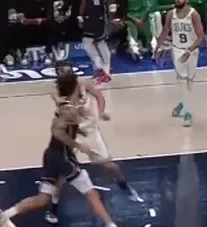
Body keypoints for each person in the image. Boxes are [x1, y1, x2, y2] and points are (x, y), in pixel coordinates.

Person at [0, 70, 139, 227]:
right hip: (63, 157)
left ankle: (4, 216)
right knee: (92, 194)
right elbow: (56, 130)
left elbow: (66, 124)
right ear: (75, 86)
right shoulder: (68, 110)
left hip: (51, 155)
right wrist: (77, 144)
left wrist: (77, 128)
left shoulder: (68, 107)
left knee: (42, 199)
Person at [52, 65, 143, 217]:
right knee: (63, 169)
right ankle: (53, 208)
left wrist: (101, 112)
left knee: (108, 165)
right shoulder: (59, 93)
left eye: (68, 71)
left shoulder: (84, 83)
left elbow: (99, 96)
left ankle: (124, 186)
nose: (67, 73)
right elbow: (62, 116)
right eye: (63, 72)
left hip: (90, 130)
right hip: (73, 131)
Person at [156, 0, 204, 127]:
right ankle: (188, 113)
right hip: (177, 49)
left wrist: (190, 50)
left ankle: (182, 104)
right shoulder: (171, 14)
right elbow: (165, 30)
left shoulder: (193, 14)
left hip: (191, 50)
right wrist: (158, 47)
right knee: (182, 80)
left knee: (190, 81)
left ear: (187, 0)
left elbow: (201, 36)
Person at [81, 0, 114, 83]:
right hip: (89, 16)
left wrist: (113, 17)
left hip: (101, 16)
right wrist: (80, 14)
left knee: (101, 43)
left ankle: (106, 71)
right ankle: (99, 67)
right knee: (86, 42)